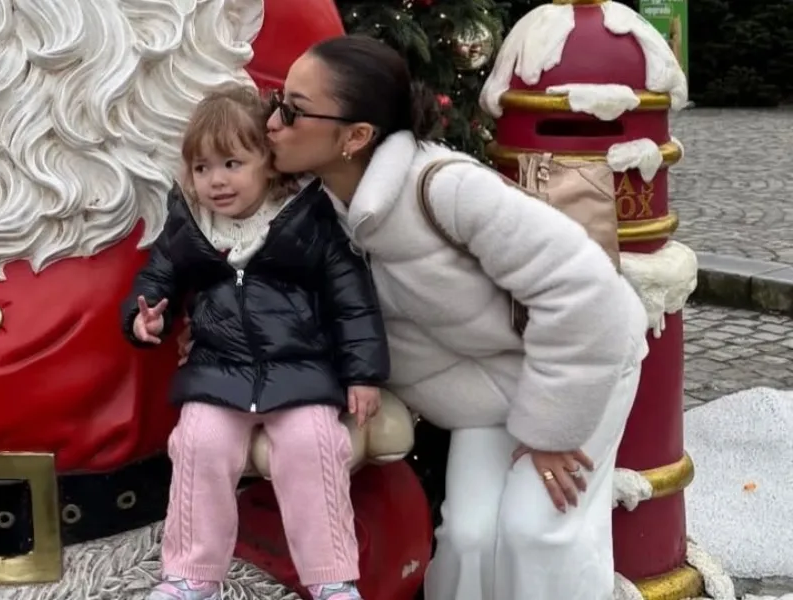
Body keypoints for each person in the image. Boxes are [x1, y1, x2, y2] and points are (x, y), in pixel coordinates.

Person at [264, 35, 650, 600]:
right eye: (277, 101)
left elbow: (586, 295)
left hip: (579, 367)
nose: (272, 122)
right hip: (485, 399)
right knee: (467, 538)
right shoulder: (315, 216)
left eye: (293, 110)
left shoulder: (444, 187)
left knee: (536, 532)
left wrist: (550, 429)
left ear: (355, 137)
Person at [121, 85, 391, 600]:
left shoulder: (305, 217)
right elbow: (155, 280)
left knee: (314, 444)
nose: (216, 181)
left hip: (300, 370)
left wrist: (363, 373)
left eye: (231, 163)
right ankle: (189, 578)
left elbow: (351, 295)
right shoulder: (191, 226)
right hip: (218, 370)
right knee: (199, 444)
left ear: (268, 163)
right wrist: (144, 319)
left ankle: (332, 578)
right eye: (202, 169)